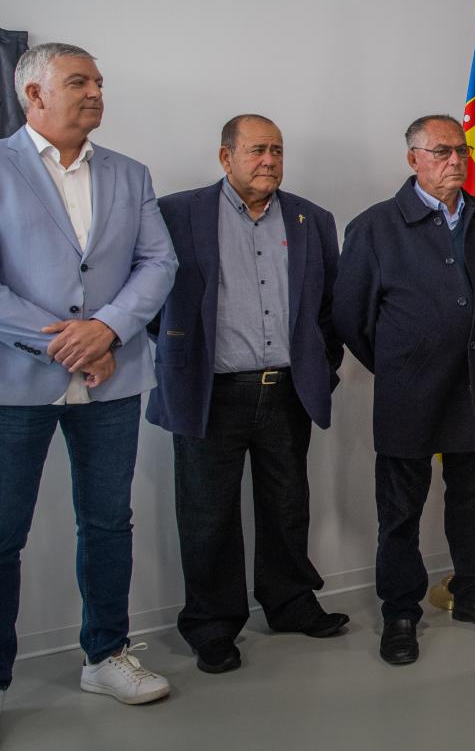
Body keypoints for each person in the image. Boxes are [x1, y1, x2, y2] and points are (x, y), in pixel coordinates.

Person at [0, 43, 179, 751]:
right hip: (9, 385)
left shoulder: (129, 173)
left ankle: (105, 656)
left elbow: (158, 260)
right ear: (33, 95)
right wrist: (64, 341)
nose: (96, 92)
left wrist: (106, 329)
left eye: (100, 81)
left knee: (108, 523)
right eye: (79, 81)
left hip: (110, 378)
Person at [146, 114, 349, 675]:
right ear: (225, 157)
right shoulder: (176, 213)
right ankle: (212, 625)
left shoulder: (312, 218)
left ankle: (290, 604)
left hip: (285, 391)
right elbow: (147, 297)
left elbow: (330, 309)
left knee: (287, 505)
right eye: (257, 150)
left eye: (277, 151)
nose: (269, 161)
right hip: (210, 394)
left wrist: (321, 367)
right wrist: (178, 357)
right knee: (207, 515)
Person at [333, 114, 475, 666]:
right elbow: (350, 319)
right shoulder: (374, 227)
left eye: (460, 151)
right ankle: (400, 613)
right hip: (408, 394)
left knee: (469, 504)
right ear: (413, 159)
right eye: (441, 153)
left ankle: (473, 594)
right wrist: (400, 362)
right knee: (400, 511)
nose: (456, 161)